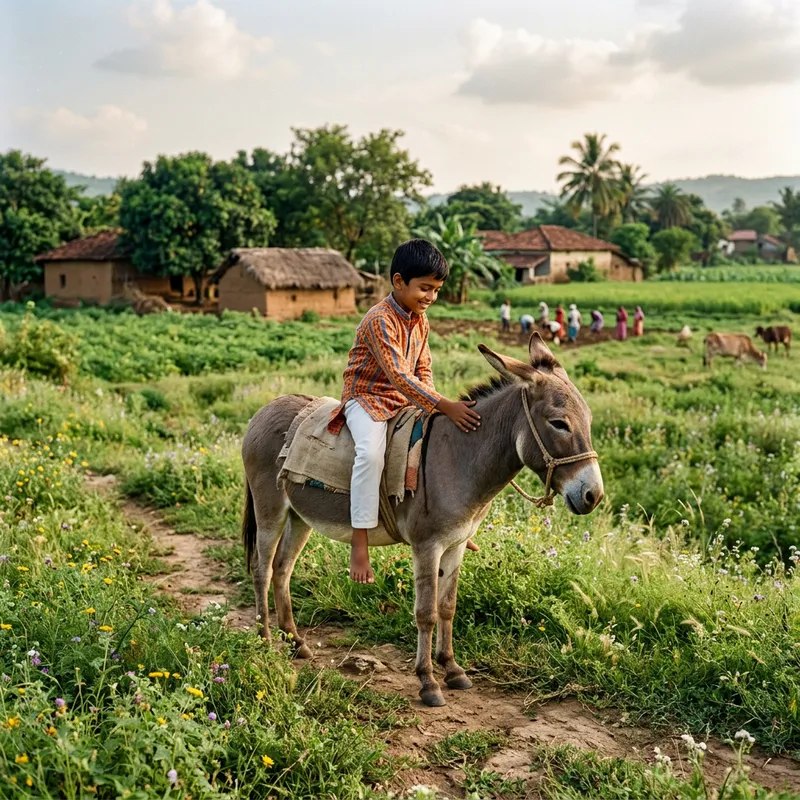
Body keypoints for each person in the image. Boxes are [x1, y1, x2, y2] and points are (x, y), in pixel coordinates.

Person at [328, 239, 481, 584]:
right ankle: (360, 539)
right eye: (424, 288)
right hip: (366, 397)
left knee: (438, 443)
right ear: (399, 282)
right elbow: (398, 374)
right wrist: (442, 404)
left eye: (436, 290)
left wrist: (435, 405)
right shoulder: (379, 320)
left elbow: (422, 369)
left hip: (405, 398)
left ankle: (449, 522)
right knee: (370, 453)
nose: (430, 297)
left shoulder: (420, 320)